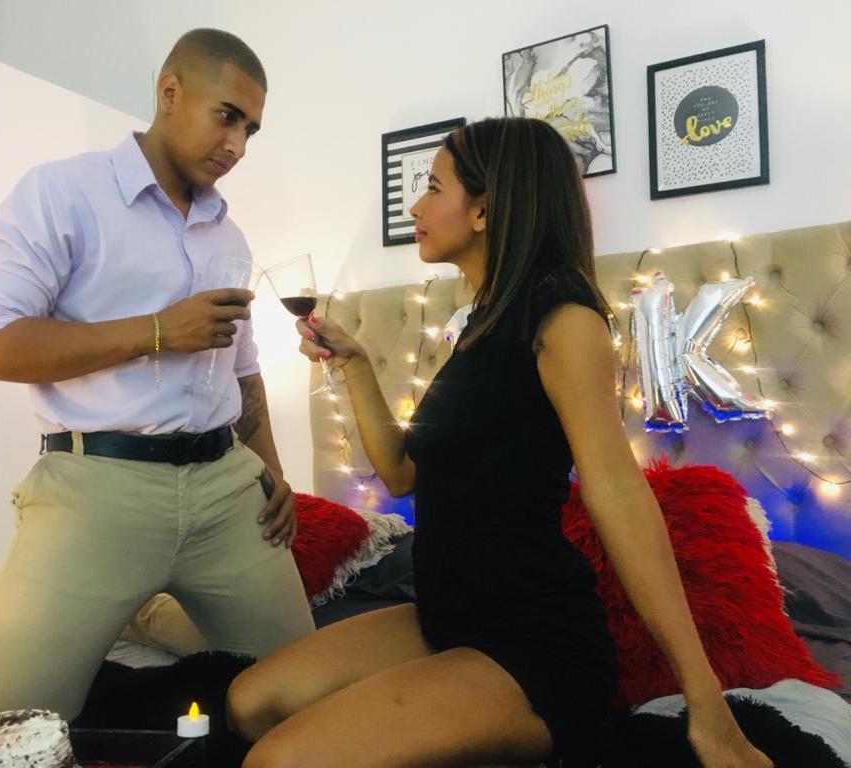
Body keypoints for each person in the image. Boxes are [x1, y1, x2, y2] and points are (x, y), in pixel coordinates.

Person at [226, 118, 773, 768]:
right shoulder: (482, 324)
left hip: (533, 641)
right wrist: (356, 366)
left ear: (483, 210)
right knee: (249, 702)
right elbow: (401, 474)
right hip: (446, 615)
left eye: (433, 188)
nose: (415, 208)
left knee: (277, 762)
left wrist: (705, 700)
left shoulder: (563, 319)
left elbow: (618, 492)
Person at [0, 28, 315, 720]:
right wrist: (157, 332)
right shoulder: (63, 193)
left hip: (225, 489)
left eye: (251, 130)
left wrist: (274, 472)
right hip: (96, 486)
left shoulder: (229, 235)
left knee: (308, 693)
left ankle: (146, 610)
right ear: (170, 92)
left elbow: (243, 370)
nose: (237, 145)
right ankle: (99, 611)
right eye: (227, 116)